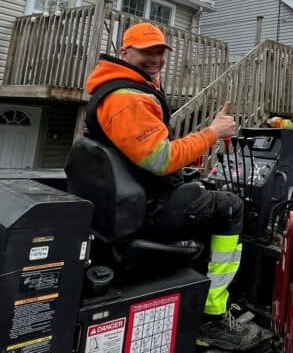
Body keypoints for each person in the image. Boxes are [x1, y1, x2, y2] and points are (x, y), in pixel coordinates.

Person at [85, 22, 264, 350]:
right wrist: (211, 134)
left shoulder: (128, 86)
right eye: (145, 51)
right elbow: (161, 160)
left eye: (159, 52)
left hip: (137, 193)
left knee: (199, 190)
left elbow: (151, 151)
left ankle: (199, 287)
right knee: (231, 207)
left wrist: (198, 145)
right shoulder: (126, 98)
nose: (155, 58)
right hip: (150, 206)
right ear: (125, 52)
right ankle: (213, 315)